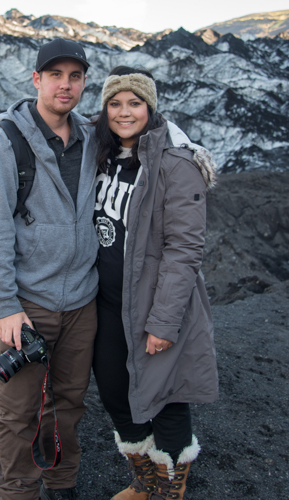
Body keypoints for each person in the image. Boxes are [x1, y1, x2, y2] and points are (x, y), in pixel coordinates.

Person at [0, 39, 100, 500]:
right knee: (19, 411)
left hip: (82, 302)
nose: (65, 85)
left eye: (75, 76)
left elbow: (141, 124)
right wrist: (5, 305)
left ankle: (61, 483)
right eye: (55, 75)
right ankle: (18, 492)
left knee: (68, 403)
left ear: (84, 82)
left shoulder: (90, 137)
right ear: (36, 80)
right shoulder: (5, 141)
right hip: (28, 304)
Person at [91, 67, 219, 500]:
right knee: (114, 393)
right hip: (106, 304)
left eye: (135, 103)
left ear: (151, 107)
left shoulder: (175, 164)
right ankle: (144, 481)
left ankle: (170, 490)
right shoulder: (102, 154)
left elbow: (185, 248)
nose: (124, 112)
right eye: (115, 103)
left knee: (165, 398)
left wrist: (164, 322)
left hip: (153, 306)